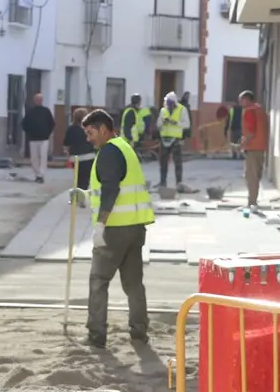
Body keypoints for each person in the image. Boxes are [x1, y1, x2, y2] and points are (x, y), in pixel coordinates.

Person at [70, 109, 155, 349]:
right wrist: (84, 196)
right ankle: (139, 333)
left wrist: (99, 226)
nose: (88, 138)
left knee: (98, 280)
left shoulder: (108, 152)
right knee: (133, 284)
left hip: (115, 230)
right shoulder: (124, 147)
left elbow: (111, 191)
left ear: (104, 130)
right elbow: (112, 188)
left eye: (90, 133)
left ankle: (96, 335)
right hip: (135, 228)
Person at [239, 90, 268, 210]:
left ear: (247, 99)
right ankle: (253, 200)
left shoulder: (249, 112)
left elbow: (251, 132)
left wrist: (242, 144)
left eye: (241, 99)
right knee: (256, 174)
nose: (239, 102)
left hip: (252, 147)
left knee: (251, 176)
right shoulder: (260, 110)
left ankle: (252, 202)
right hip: (260, 147)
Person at [156, 92, 190, 190]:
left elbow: (186, 124)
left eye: (171, 103)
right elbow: (158, 125)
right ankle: (163, 182)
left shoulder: (182, 110)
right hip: (164, 139)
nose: (169, 106)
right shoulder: (163, 110)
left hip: (176, 139)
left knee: (177, 162)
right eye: (167, 103)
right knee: (163, 162)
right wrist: (163, 122)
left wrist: (176, 123)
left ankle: (179, 182)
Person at [22, 92, 55, 183]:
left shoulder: (46, 111)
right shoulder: (30, 111)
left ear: (42, 101)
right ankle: (37, 174)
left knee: (43, 156)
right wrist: (29, 133)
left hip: (44, 138)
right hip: (33, 138)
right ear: (34, 100)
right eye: (37, 99)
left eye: (40, 99)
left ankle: (41, 174)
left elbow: (52, 123)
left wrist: (48, 133)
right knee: (34, 158)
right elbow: (24, 124)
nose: (39, 101)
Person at [63, 107, 95, 191]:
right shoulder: (90, 128)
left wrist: (68, 154)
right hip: (88, 156)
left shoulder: (71, 129)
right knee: (85, 179)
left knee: (77, 178)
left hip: (75, 157)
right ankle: (81, 196)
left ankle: (77, 196)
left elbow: (66, 143)